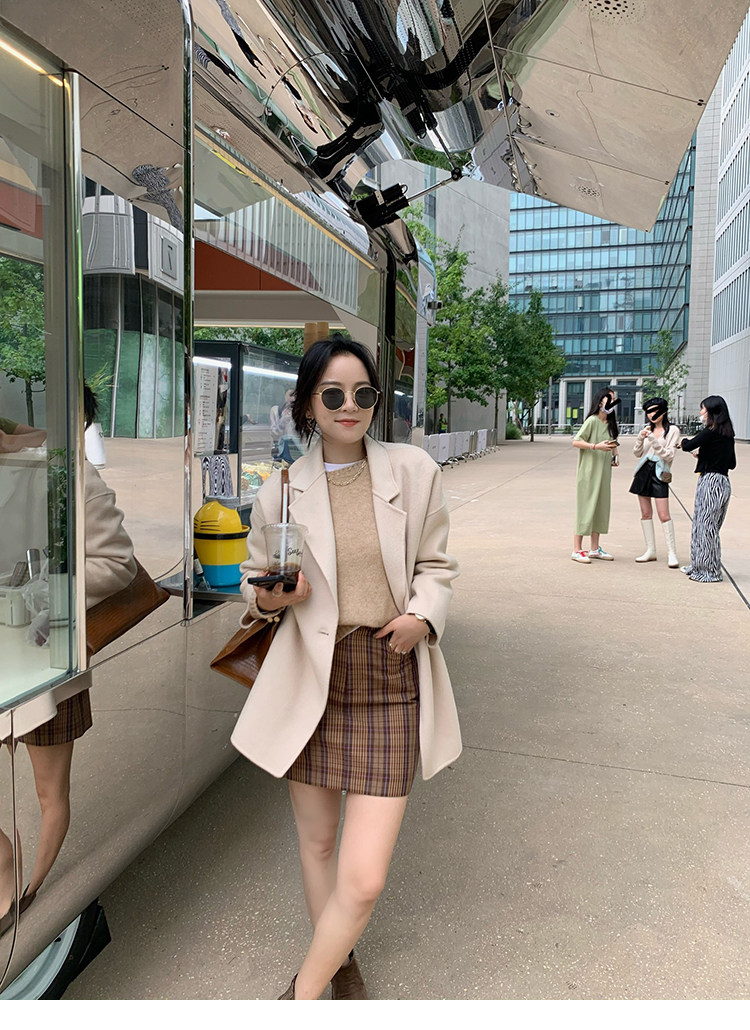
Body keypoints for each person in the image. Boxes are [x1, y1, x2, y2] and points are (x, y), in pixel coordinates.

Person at [230, 337, 460, 1000]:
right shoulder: (280, 490)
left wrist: (422, 616)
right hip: (312, 676)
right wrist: (273, 596)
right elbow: (254, 580)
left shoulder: (413, 471)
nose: (349, 406)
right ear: (308, 404)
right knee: (320, 846)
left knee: (364, 879)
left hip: (389, 674)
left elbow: (437, 566)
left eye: (364, 393)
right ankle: (338, 963)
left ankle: (299, 997)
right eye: (333, 394)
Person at [1, 385, 137, 934]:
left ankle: (28, 893)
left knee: (49, 789)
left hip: (50, 656)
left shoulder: (76, 478)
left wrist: (44, 594)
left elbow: (118, 564)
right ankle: (6, 860)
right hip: (3, 654)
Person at [679, 395, 736, 582]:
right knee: (707, 527)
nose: (701, 413)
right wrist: (705, 455)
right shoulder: (728, 434)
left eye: (703, 409)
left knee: (704, 527)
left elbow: (688, 445)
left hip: (710, 483)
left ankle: (708, 571)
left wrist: (683, 442)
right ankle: (698, 565)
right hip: (723, 482)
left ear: (711, 411)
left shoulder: (710, 432)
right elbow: (732, 463)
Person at [629, 397, 681, 567]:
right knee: (645, 513)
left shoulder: (672, 430)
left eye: (655, 410)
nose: (652, 414)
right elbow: (637, 453)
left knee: (664, 515)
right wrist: (640, 438)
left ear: (663, 411)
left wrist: (652, 440)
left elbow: (669, 455)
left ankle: (672, 553)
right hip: (643, 471)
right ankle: (650, 550)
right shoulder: (647, 430)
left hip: (660, 473)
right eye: (649, 411)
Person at [570, 388, 620, 563]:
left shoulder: (610, 424)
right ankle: (577, 549)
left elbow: (612, 441)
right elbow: (576, 441)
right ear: (600, 403)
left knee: (600, 508)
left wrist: (615, 454)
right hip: (589, 472)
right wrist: (595, 446)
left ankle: (594, 549)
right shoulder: (591, 421)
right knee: (585, 508)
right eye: (609, 399)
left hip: (604, 472)